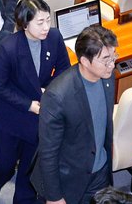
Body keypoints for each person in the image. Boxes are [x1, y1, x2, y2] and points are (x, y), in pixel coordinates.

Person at [0, 0, 71, 204]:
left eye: (48, 20)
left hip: (41, 117)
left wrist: (47, 91)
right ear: (24, 23)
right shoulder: (9, 47)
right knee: (4, 164)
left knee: (29, 170)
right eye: (40, 22)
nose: (46, 27)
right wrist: (29, 104)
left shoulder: (54, 38)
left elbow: (63, 70)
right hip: (12, 116)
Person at [32, 25, 118, 204]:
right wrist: (54, 197)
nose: (112, 64)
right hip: (67, 180)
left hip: (100, 171)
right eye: (106, 59)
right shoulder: (57, 95)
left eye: (114, 56)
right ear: (85, 62)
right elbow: (48, 152)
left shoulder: (108, 76)